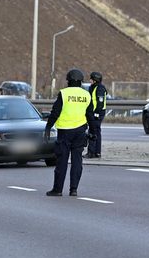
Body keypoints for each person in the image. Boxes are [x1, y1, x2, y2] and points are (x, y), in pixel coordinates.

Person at [44, 68, 92, 197]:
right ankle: (74, 189)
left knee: (62, 161)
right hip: (81, 131)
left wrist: (48, 127)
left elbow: (55, 112)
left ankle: (58, 190)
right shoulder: (86, 95)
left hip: (65, 132)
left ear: (68, 81)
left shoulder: (64, 93)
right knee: (77, 161)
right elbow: (90, 115)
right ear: (81, 81)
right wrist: (93, 132)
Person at [85, 71, 107, 159]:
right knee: (96, 131)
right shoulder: (93, 87)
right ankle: (96, 152)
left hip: (97, 113)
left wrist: (96, 114)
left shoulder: (100, 88)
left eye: (91, 79)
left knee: (93, 131)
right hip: (93, 113)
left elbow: (100, 103)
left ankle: (92, 153)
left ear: (95, 80)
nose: (90, 80)